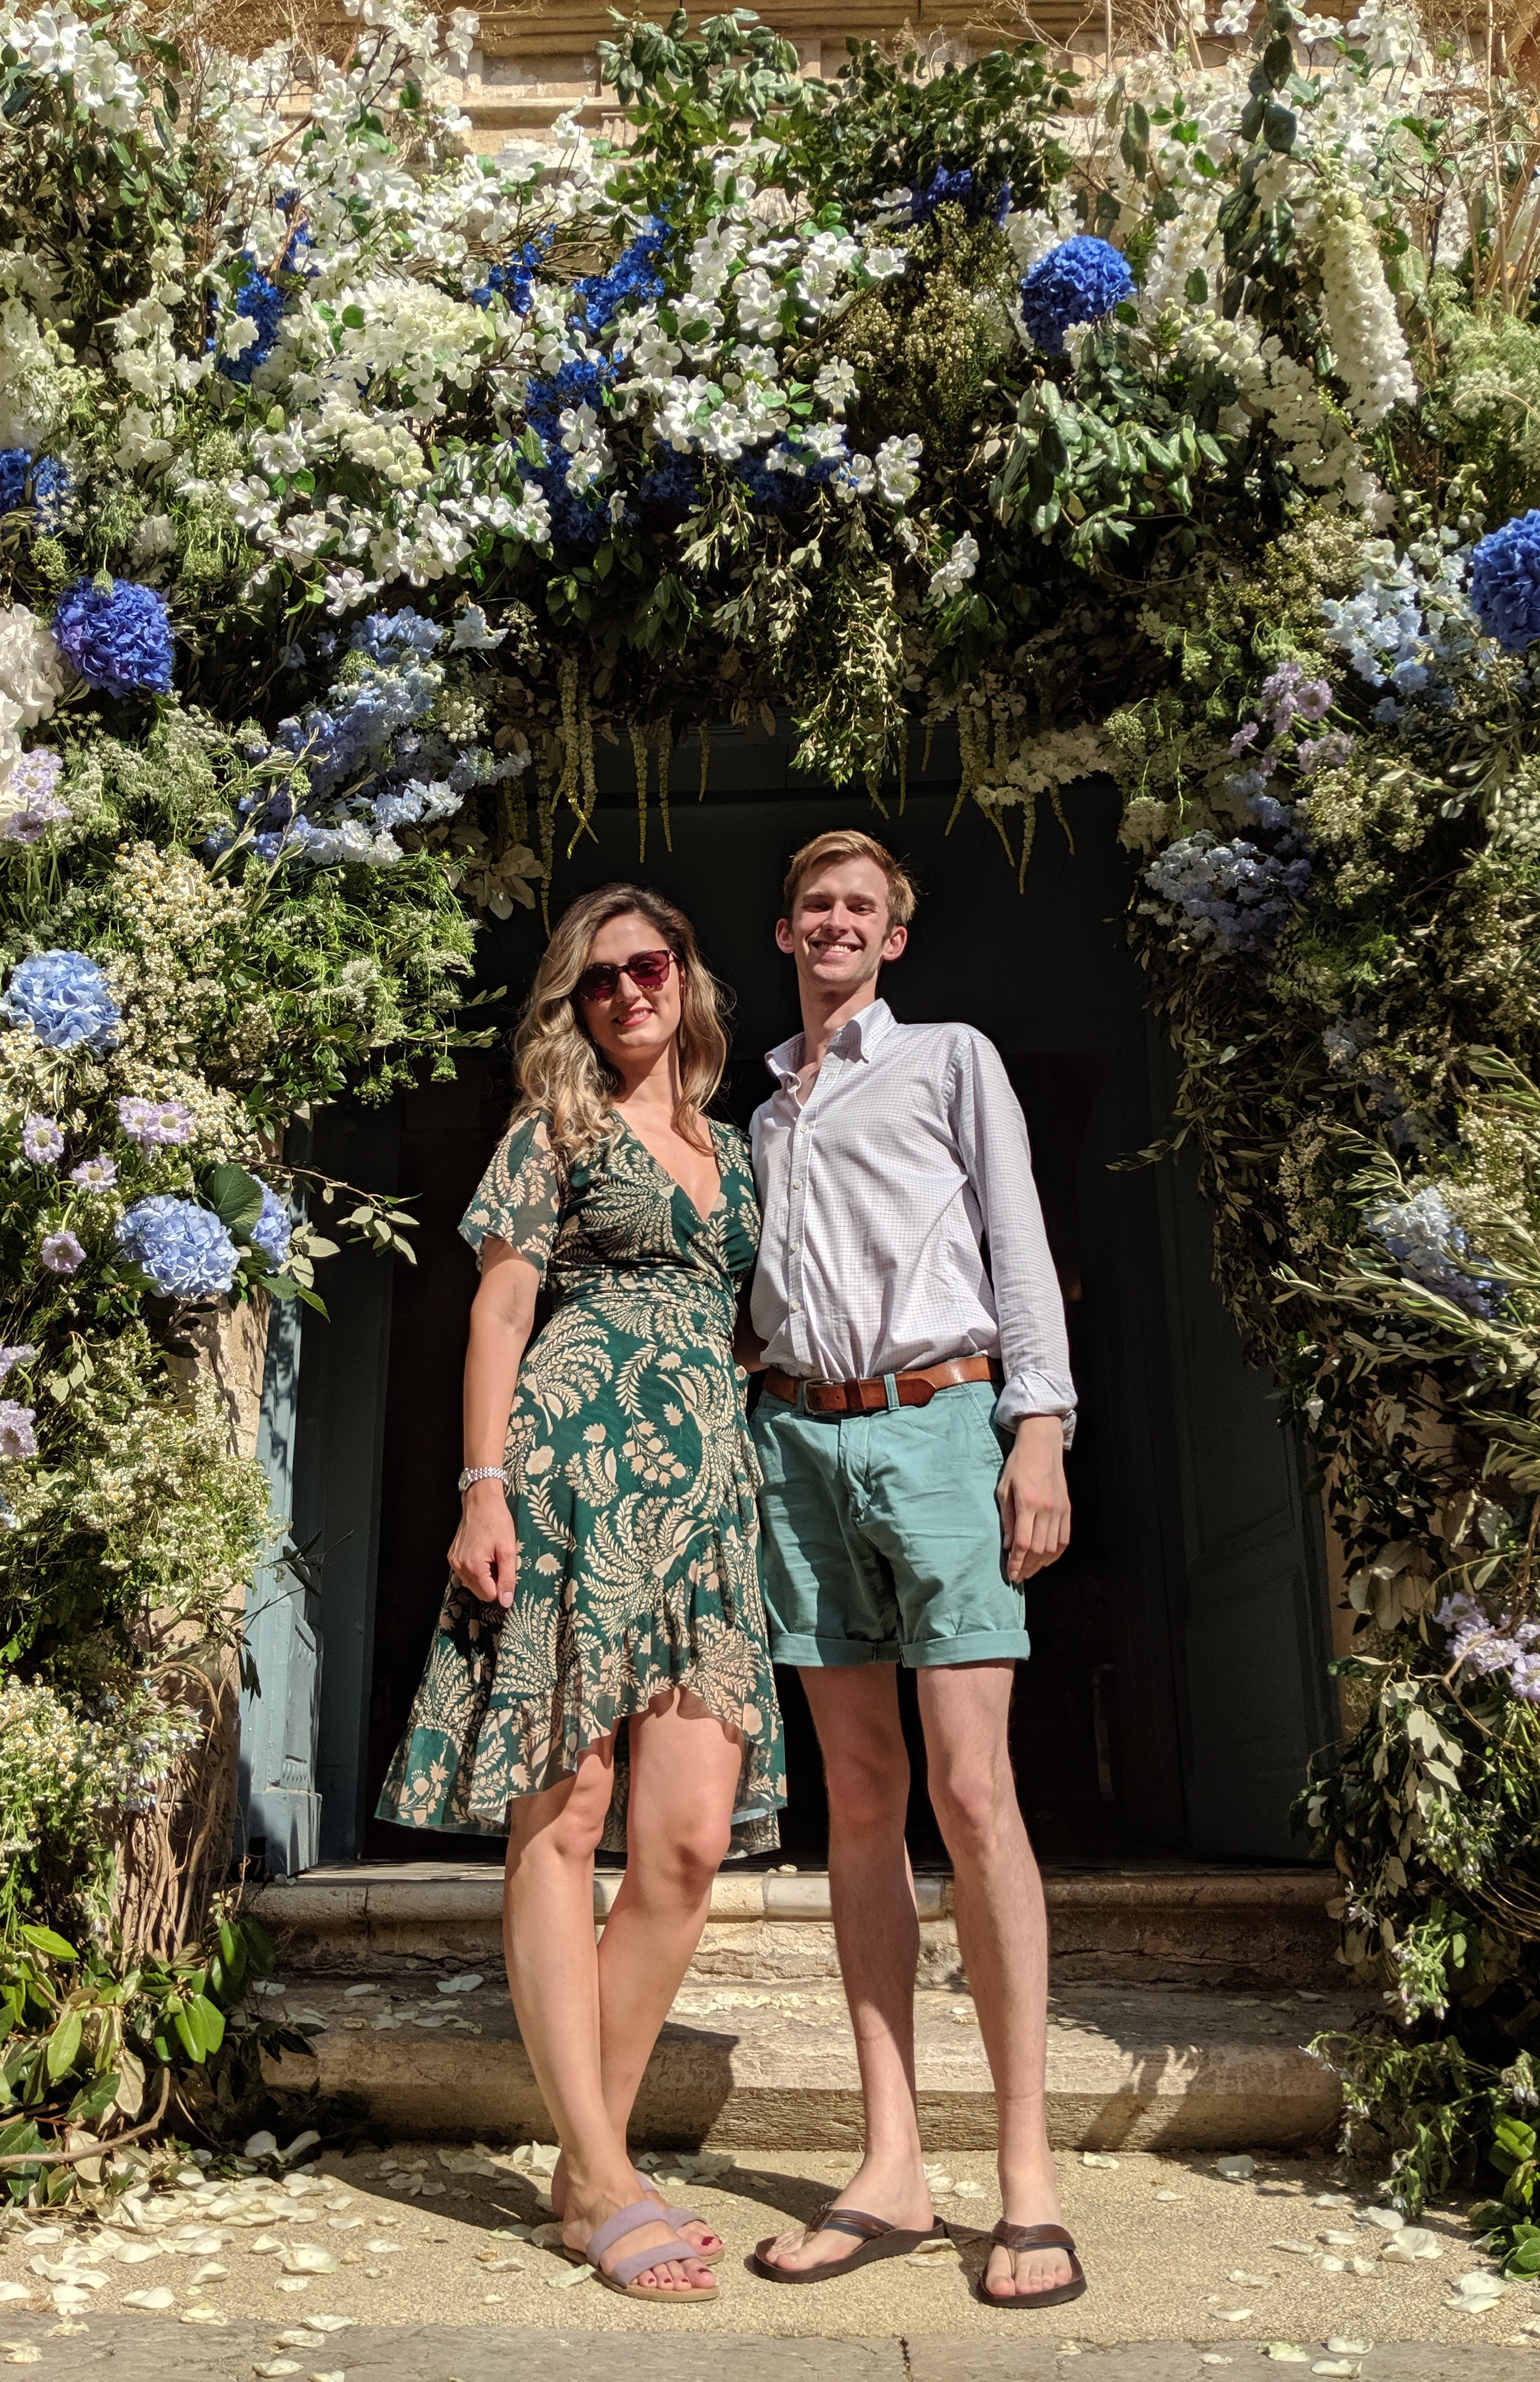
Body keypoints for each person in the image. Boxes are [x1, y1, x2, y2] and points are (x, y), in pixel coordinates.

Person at [377, 883, 784, 2305]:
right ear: (575, 1004)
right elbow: (498, 1307)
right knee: (568, 1820)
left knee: (683, 1843)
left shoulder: (737, 1150)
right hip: (568, 1475)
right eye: (598, 980)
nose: (626, 993)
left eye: (649, 965)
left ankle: (581, 2157)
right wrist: (483, 1486)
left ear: (688, 979)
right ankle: (604, 2177)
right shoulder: (554, 1131)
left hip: (705, 1502)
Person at [745, 828, 1084, 2309]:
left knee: (974, 1787)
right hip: (798, 1446)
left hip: (944, 1423)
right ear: (785, 935)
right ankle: (891, 2168)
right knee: (860, 1802)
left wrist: (1042, 1431)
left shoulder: (950, 1057)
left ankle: (1027, 2181)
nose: (837, 923)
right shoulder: (760, 1110)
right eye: (816, 904)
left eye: (861, 907)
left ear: (892, 936)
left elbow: (1019, 1242)